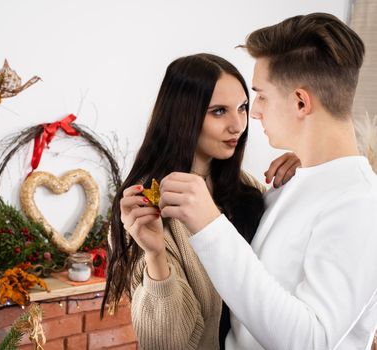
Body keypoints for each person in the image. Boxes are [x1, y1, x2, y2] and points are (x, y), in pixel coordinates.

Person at [158, 13, 377, 349]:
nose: (254, 113)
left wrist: (210, 226)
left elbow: (311, 340)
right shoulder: (289, 184)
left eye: (260, 96)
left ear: (301, 102)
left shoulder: (360, 205)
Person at [102, 53, 299, 349]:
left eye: (242, 108)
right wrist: (156, 256)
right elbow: (167, 343)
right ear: (184, 115)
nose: (238, 125)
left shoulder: (246, 188)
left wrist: (304, 170)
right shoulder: (145, 207)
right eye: (218, 111)